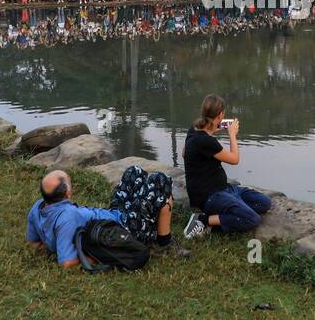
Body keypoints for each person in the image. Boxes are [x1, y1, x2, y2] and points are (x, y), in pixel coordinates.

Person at [25, 168, 188, 267]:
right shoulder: (67, 218)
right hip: (124, 229)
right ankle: (164, 243)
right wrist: (97, 258)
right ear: (67, 193)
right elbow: (66, 263)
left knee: (134, 172)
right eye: (70, 183)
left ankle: (153, 227)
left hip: (113, 215)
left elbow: (33, 243)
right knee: (160, 180)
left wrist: (54, 244)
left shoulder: (38, 206)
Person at [182, 94, 271, 237]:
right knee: (253, 219)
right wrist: (232, 134)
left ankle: (232, 209)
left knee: (264, 203)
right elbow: (234, 159)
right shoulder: (206, 141)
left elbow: (184, 153)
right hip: (210, 196)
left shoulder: (194, 129)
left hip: (225, 188)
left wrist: (212, 129)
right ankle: (203, 220)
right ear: (220, 114)